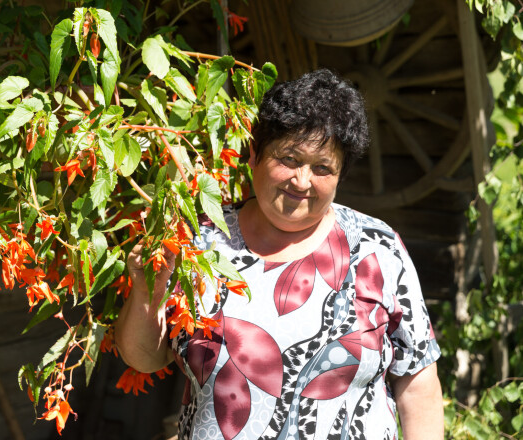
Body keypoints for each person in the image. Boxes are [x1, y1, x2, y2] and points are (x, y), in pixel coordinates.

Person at [115, 69, 444, 440]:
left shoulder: (376, 250)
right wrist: (146, 291)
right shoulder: (200, 241)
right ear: (254, 154)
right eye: (289, 158)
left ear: (340, 176)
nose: (302, 181)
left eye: (322, 168)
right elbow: (145, 358)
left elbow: (418, 385)